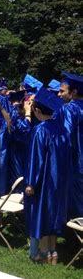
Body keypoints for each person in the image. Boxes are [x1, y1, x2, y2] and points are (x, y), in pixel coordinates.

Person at [25, 87, 71, 264]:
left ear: (36, 111)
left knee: (42, 214)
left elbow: (35, 159)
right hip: (58, 180)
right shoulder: (62, 130)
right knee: (53, 214)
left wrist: (30, 182)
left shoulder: (40, 130)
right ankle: (53, 252)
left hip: (43, 181)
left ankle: (42, 254)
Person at [58, 72, 83, 219]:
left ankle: (76, 237)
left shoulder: (69, 109)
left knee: (77, 199)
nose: (59, 94)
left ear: (73, 92)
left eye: (62, 91)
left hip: (75, 162)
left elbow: (65, 137)